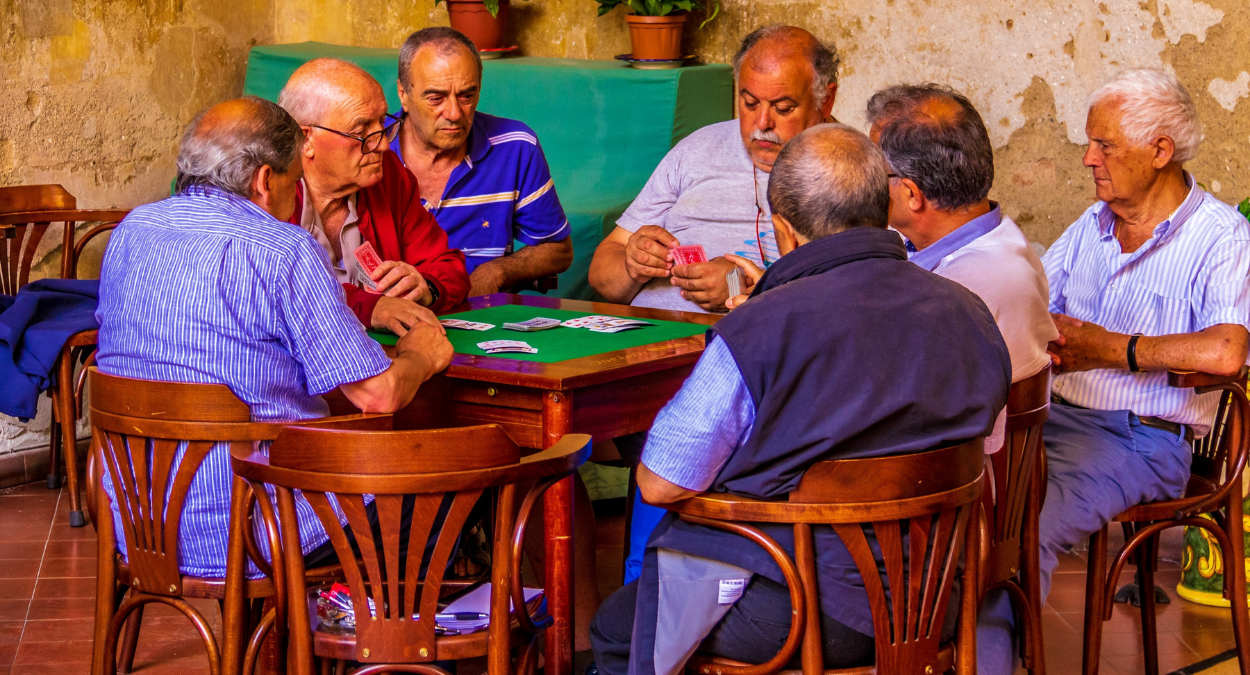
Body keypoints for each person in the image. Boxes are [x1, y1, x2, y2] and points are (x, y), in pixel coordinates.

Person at [589, 124, 1012, 675]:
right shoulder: (969, 310)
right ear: (884, 207)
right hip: (945, 595)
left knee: (616, 629)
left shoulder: (762, 328)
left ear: (785, 232)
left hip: (807, 611)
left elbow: (660, 481)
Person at [94, 97, 454, 578]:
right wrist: (420, 356)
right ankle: (359, 641)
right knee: (451, 486)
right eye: (293, 180)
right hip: (256, 527)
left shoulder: (132, 230)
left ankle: (309, 638)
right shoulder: (283, 250)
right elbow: (378, 395)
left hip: (138, 525)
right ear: (265, 181)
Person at [983, 68, 1250, 675]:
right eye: (1090, 143)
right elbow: (1040, 305)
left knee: (1020, 529)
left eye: (1105, 145)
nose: (1087, 158)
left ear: (1159, 151)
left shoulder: (1222, 238)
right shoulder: (1092, 226)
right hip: (1054, 419)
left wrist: (1112, 348)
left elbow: (1226, 352)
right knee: (955, 497)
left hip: (1142, 438)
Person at [861, 83, 1058, 675]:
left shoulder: (962, 284)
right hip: (983, 498)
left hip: (951, 510)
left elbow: (878, 407)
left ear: (913, 195)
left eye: (877, 177)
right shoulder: (998, 242)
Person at [589, 24, 839, 315]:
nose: (762, 123)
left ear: (826, 100)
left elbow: (854, 298)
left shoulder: (851, 170)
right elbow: (601, 277)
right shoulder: (697, 149)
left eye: (783, 108)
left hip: (744, 343)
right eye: (749, 103)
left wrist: (741, 288)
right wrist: (633, 265)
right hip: (644, 338)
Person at [278, 58, 470, 334]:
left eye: (382, 122)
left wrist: (426, 287)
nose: (382, 144)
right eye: (361, 131)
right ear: (306, 139)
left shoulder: (388, 176)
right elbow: (275, 290)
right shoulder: (267, 190)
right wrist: (369, 307)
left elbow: (447, 265)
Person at [391, 27, 574, 295]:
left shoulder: (516, 147)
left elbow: (559, 250)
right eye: (435, 98)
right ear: (403, 94)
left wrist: (496, 271)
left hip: (480, 315)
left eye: (466, 95)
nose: (454, 113)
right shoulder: (370, 147)